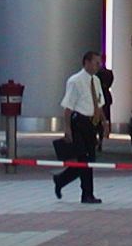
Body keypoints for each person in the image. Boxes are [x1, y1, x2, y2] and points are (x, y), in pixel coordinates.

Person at [53, 50, 107, 204]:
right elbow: (68, 108)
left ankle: (61, 179)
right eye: (96, 62)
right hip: (79, 122)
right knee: (84, 159)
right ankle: (87, 194)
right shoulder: (75, 81)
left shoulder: (96, 81)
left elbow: (99, 103)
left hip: (92, 123)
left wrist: (104, 122)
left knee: (89, 160)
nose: (99, 65)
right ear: (87, 62)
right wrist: (67, 129)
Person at [94, 54, 114, 149]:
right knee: (103, 118)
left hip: (101, 97)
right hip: (105, 97)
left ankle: (99, 139)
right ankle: (100, 139)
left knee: (99, 119)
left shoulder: (97, 73)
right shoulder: (108, 73)